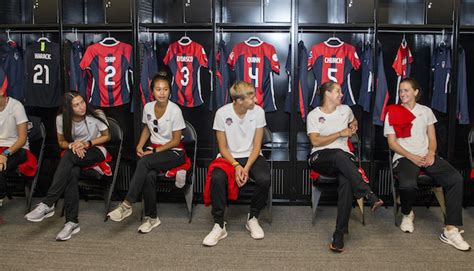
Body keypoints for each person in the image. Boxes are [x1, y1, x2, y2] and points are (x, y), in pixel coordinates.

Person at [384, 78, 470, 251]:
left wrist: (431, 153)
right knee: (408, 185)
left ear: (416, 92)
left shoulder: (426, 111)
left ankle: (451, 229)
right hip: (404, 157)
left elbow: (432, 137)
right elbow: (391, 143)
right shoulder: (392, 112)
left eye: (407, 90)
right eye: (401, 91)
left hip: (426, 155)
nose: (402, 94)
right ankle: (407, 213)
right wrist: (411, 156)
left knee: (455, 179)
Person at [307, 81, 383, 253]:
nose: (341, 95)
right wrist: (340, 134)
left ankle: (339, 235)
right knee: (340, 155)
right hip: (321, 157)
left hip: (343, 160)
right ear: (327, 94)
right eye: (338, 92)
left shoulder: (346, 110)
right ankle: (367, 193)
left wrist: (353, 124)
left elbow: (353, 120)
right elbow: (315, 141)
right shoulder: (314, 115)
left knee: (347, 180)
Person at [107, 72, 188, 234]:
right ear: (152, 92)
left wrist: (154, 150)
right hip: (155, 152)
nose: (162, 92)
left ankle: (127, 204)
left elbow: (176, 140)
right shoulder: (148, 107)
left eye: (165, 89)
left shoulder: (175, 110)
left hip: (175, 152)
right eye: (158, 89)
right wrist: (140, 145)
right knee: (149, 175)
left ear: (169, 91)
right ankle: (152, 218)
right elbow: (146, 128)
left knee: (144, 162)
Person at [25, 91, 111, 241]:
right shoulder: (61, 119)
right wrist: (73, 145)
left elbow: (107, 136)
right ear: (69, 109)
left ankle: (49, 203)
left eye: (82, 102)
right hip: (74, 152)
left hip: (96, 150)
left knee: (69, 158)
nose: (82, 107)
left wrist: (86, 143)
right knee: (71, 172)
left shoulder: (96, 114)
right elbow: (61, 142)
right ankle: (71, 222)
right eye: (76, 105)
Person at [202, 81, 271, 247]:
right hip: (229, 156)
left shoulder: (258, 112)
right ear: (239, 101)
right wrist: (236, 165)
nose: (255, 99)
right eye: (251, 97)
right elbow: (223, 147)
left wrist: (246, 168)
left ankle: (252, 218)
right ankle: (219, 225)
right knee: (217, 178)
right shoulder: (222, 113)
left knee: (264, 178)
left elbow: (257, 146)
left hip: (252, 156)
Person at [0, 92, 29, 207]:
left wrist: (5, 154)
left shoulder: (16, 106)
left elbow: (22, 139)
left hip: (17, 148)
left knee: (0, 165)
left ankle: (0, 198)